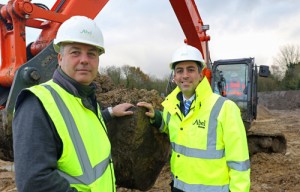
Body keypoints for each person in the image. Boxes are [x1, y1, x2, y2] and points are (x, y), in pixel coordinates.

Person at [13, 16, 134, 192]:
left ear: (98, 61)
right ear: (60, 58)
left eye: (91, 54)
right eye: (75, 52)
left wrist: (110, 113)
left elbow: (78, 129)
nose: (84, 60)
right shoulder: (37, 104)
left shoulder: (86, 98)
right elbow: (35, 183)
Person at [137, 44, 250, 192]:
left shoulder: (225, 108)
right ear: (174, 77)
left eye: (190, 69)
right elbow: (174, 128)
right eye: (179, 71)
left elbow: (239, 162)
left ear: (201, 75)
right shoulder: (171, 107)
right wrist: (156, 117)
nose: (185, 75)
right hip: (178, 187)